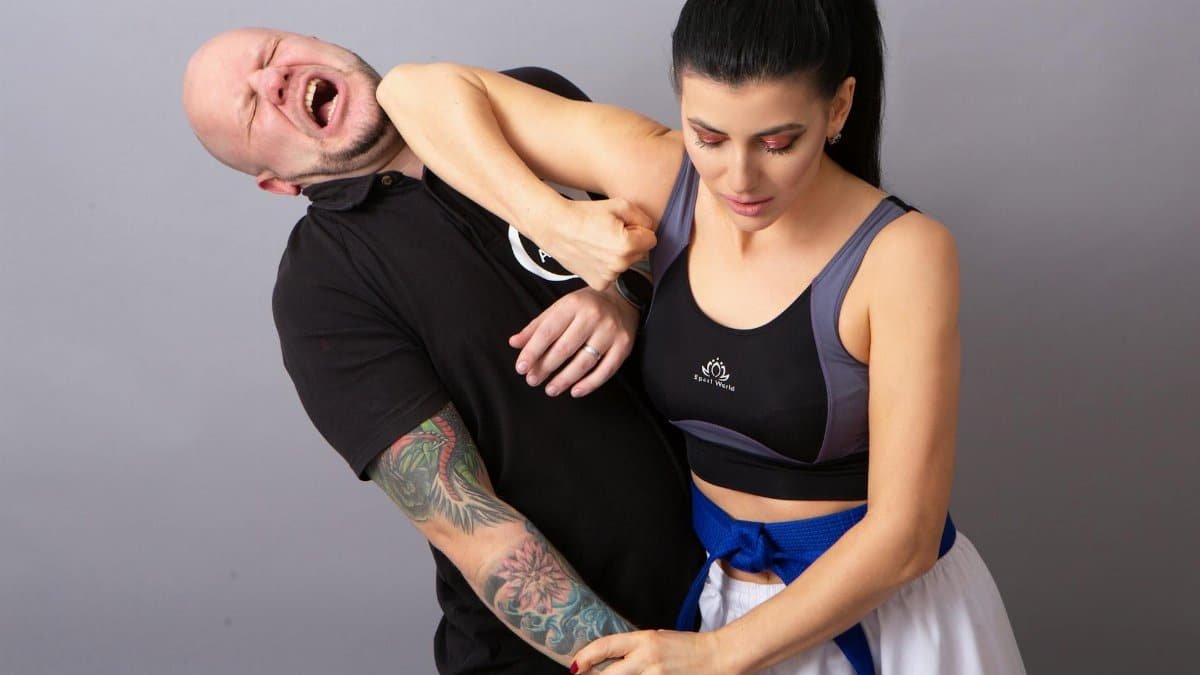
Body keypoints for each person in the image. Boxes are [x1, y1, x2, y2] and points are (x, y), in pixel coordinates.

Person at [374, 0, 1027, 673]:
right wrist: (556, 225)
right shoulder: (664, 178)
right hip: (721, 606)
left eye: (778, 143)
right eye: (708, 137)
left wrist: (716, 654)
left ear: (837, 110)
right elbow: (408, 91)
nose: (738, 180)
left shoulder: (902, 254)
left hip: (883, 620)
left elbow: (907, 536)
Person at [181, 28, 703, 675]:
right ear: (276, 184)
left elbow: (696, 240)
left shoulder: (526, 101)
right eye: (252, 106)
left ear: (319, 43)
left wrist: (624, 294)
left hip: (742, 587)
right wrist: (649, 667)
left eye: (271, 54)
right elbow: (472, 527)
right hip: (575, 658)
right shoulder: (320, 288)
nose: (275, 80)